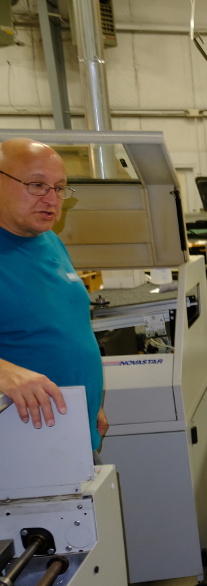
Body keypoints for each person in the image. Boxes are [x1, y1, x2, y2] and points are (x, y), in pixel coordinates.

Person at [0, 137, 107, 451]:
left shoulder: (47, 240)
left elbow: (65, 326)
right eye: (36, 185)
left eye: (60, 188)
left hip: (70, 425)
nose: (51, 199)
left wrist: (90, 401)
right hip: (25, 442)